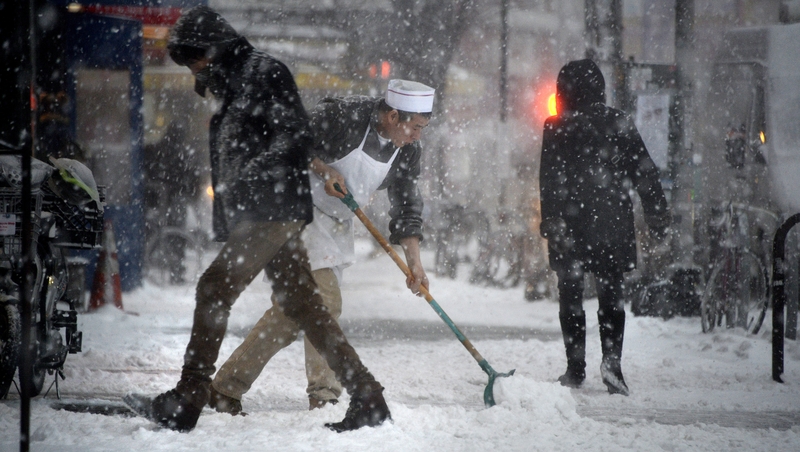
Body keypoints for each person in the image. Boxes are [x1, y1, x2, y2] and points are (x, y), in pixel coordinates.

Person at [124, 6, 390, 433]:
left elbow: (296, 134)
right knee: (305, 305)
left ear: (215, 47)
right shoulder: (232, 81)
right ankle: (367, 395)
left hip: (272, 208)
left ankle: (190, 394)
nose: (194, 67)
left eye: (196, 58)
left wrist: (251, 176)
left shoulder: (265, 73)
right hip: (261, 207)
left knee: (214, 287)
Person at [208, 80, 434, 414]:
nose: (417, 136)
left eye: (422, 129)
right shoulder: (343, 115)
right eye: (414, 128)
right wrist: (322, 168)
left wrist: (415, 263)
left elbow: (407, 208)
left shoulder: (408, 151)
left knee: (292, 313)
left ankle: (225, 389)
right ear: (392, 116)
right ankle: (325, 397)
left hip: (336, 220)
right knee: (323, 303)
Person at [538, 59, 670, 396]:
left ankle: (575, 367)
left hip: (569, 226)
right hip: (611, 224)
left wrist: (552, 219)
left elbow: (549, 181)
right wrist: (657, 215)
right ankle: (612, 364)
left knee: (570, 297)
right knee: (611, 296)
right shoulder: (619, 122)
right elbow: (645, 173)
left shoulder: (555, 127)